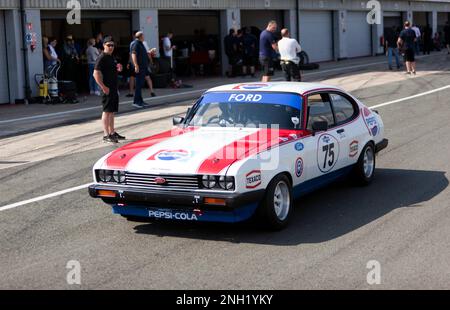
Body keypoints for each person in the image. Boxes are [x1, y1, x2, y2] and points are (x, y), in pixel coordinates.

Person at [93, 36, 125, 143]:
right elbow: (95, 73)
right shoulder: (101, 57)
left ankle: (112, 132)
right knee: (106, 111)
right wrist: (103, 87)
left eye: (112, 45)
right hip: (107, 88)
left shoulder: (111, 57)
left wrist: (118, 67)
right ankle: (106, 135)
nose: (111, 47)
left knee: (111, 111)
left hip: (113, 88)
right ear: (103, 45)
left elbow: (112, 69)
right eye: (108, 45)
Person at [130, 31, 149, 108]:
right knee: (138, 84)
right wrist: (136, 65)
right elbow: (133, 54)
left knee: (140, 84)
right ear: (140, 36)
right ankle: (136, 102)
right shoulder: (136, 43)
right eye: (143, 36)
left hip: (143, 67)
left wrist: (150, 52)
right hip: (139, 67)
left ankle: (140, 100)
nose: (144, 37)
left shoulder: (140, 43)